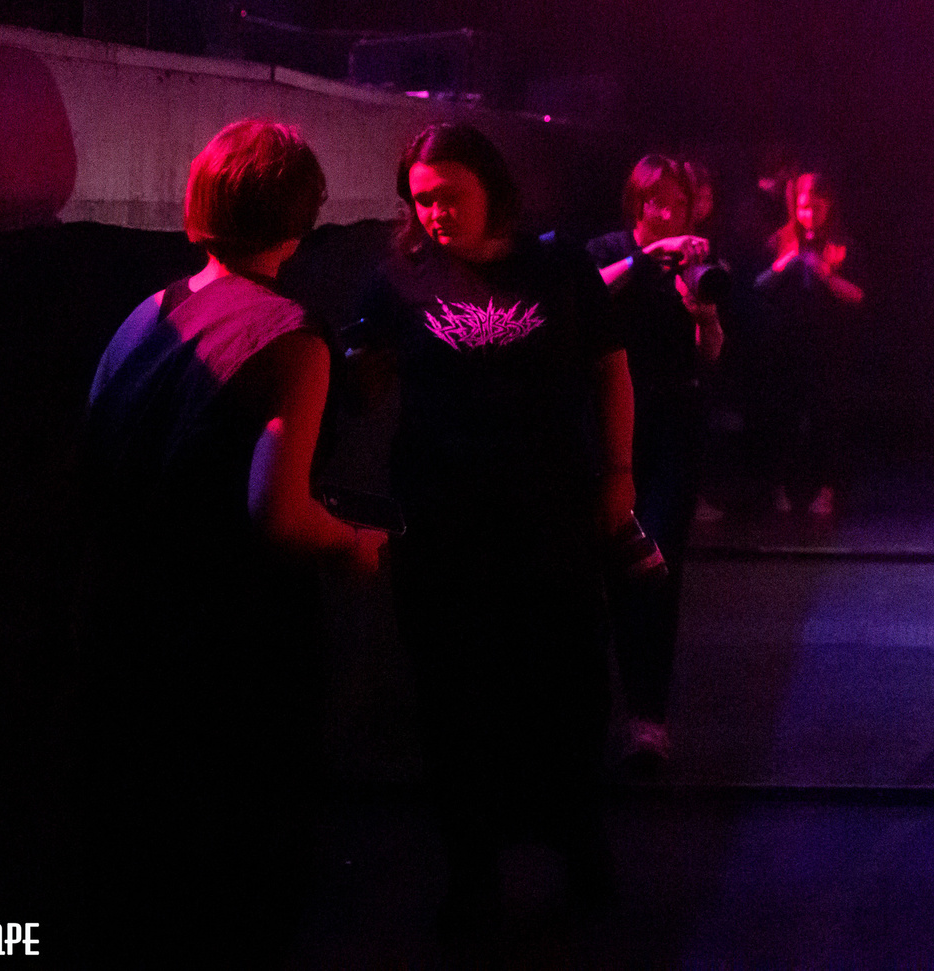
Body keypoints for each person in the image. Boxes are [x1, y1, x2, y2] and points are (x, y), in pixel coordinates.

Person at [75, 120, 382, 965]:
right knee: (243, 874)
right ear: (301, 219)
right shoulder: (291, 335)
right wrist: (353, 541)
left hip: (127, 622)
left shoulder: (149, 312)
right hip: (233, 642)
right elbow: (278, 514)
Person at [353, 122, 634, 931]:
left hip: (549, 516)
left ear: (490, 186)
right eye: (421, 199)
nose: (434, 212)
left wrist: (619, 474)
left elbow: (609, 368)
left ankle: (579, 846)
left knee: (567, 686)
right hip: (444, 526)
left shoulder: (557, 265)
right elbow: (358, 373)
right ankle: (472, 868)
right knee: (455, 696)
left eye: (449, 195)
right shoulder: (400, 279)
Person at [586, 154, 728, 773]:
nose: (665, 212)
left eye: (676, 201)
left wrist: (705, 316)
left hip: (670, 426)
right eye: (654, 201)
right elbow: (582, 299)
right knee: (600, 566)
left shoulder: (701, 262)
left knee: (656, 563)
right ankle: (591, 712)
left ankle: (648, 719)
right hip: (602, 423)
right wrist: (646, 260)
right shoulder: (606, 249)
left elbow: (712, 356)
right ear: (636, 201)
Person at [753, 167, 864, 518]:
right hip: (786, 345)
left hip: (829, 348)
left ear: (829, 205)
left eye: (816, 207)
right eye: (803, 207)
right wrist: (783, 266)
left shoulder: (843, 243)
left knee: (827, 418)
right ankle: (779, 490)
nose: (809, 214)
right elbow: (757, 286)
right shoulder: (780, 240)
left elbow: (859, 295)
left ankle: (826, 491)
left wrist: (827, 275)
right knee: (783, 416)